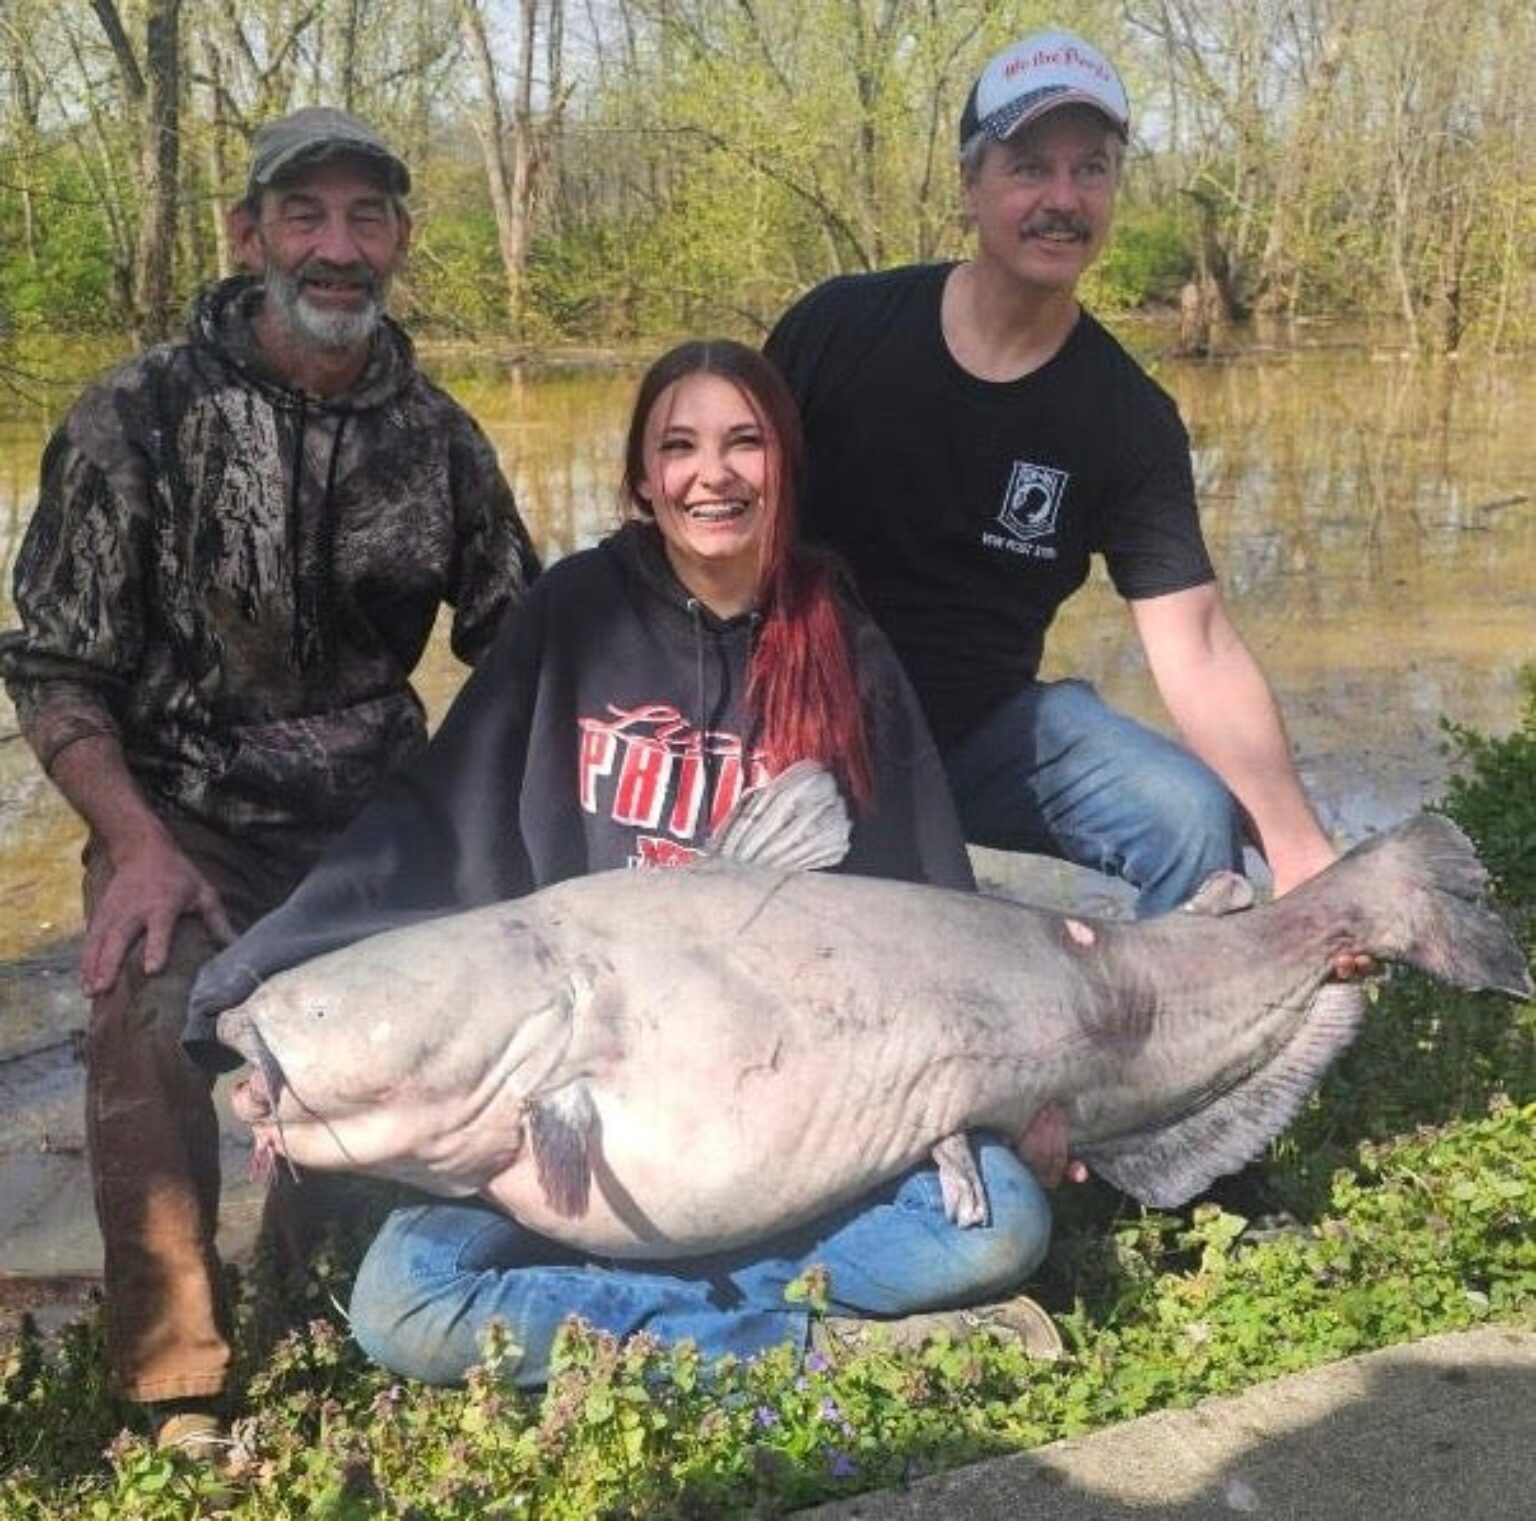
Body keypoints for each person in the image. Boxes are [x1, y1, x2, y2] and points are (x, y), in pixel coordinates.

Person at [187, 339, 1064, 1389]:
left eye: (745, 443)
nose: (714, 474)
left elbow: (929, 909)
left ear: (785, 462)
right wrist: (247, 982)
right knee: (403, 1301)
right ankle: (799, 1337)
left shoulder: (844, 639)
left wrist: (1005, 1080)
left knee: (1004, 1223)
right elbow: (432, 821)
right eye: (680, 445)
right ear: (643, 477)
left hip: (806, 1142)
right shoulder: (576, 615)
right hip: (578, 1146)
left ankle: (677, 1331)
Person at [0, 107, 539, 1450]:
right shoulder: (137, 418)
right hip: (178, 811)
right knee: (146, 1002)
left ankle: (319, 1304)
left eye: (367, 218)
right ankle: (175, 1381)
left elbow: (525, 647)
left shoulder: (442, 437)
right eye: (307, 216)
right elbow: (58, 669)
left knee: (439, 1017)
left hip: (375, 822)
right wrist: (132, 842)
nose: (337, 247)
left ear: (403, 240)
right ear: (249, 235)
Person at [765, 27, 1353, 925]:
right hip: (798, 727)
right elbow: (712, 530)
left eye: (1092, 169)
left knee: (1191, 815)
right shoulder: (838, 329)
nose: (1062, 199)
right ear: (970, 183)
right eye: (1030, 167)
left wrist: (1301, 845)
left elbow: (1196, 647)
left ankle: (1173, 1057)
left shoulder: (1127, 420)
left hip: (980, 737)